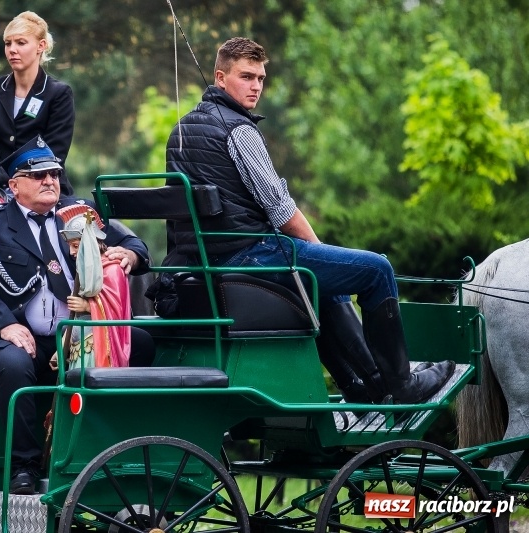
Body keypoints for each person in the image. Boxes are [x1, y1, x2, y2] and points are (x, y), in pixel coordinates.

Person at [164, 37, 455, 406]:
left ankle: (362, 385)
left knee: (329, 281)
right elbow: (280, 209)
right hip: (249, 255)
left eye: (261, 78)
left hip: (206, 262)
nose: (256, 86)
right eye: (246, 77)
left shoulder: (180, 131)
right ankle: (402, 385)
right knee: (377, 269)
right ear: (220, 78)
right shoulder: (239, 130)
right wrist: (319, 250)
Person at [0, 135, 153, 495]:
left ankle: (106, 449)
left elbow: (133, 242)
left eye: (54, 174)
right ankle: (24, 466)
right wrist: (5, 325)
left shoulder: (79, 214)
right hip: (20, 332)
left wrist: (131, 256)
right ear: (14, 186)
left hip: (76, 333)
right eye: (38, 175)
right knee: (14, 365)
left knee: (139, 344)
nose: (49, 181)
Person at [0, 11, 75, 196]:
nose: (12, 49)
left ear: (41, 46)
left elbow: (52, 155)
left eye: (21, 42)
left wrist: (2, 175)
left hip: (44, 189)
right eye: (7, 43)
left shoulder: (59, 94)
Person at [52, 205, 133, 369]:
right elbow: (76, 318)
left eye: (76, 246)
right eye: (70, 246)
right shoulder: (85, 271)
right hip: (79, 346)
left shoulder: (112, 269)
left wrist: (87, 306)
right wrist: (62, 347)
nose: (71, 252)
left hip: (98, 346)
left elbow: (116, 312)